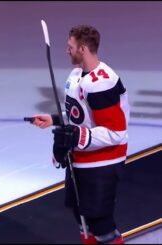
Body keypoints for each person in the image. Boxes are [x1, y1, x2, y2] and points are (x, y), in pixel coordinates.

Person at [29, 25, 129, 244]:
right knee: (81, 216)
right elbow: (79, 114)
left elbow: (116, 133)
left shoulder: (101, 83)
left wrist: (77, 137)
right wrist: (55, 119)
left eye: (70, 46)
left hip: (103, 161)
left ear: (82, 49)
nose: (67, 50)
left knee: (100, 222)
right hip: (81, 158)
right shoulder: (76, 75)